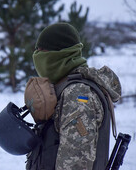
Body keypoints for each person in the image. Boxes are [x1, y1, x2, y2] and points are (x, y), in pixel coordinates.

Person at [25, 23, 121, 170]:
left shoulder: (77, 94)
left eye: (42, 51)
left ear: (59, 54)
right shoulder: (63, 86)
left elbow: (76, 163)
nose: (37, 56)